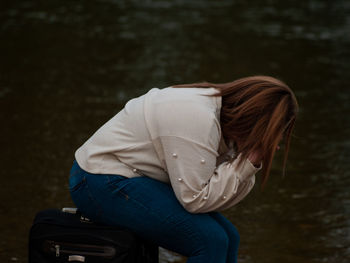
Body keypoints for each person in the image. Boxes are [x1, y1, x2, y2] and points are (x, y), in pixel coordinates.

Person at [69, 75, 298, 263]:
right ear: (256, 121)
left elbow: (218, 197)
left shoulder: (218, 117)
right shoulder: (198, 118)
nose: (275, 143)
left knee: (229, 237)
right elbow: (196, 200)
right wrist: (249, 159)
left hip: (129, 176)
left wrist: (250, 162)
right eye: (273, 132)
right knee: (210, 240)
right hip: (97, 180)